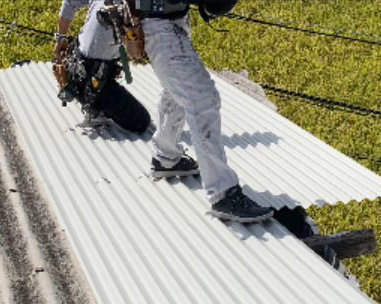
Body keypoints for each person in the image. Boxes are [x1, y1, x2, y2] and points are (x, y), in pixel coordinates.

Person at [137, 0, 274, 223]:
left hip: (168, 22)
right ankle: (222, 193)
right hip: (160, 26)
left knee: (176, 90)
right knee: (202, 100)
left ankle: (165, 156)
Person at [55, 0, 151, 133]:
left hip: (78, 56)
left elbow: (69, 2)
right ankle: (91, 100)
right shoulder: (134, 4)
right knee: (140, 121)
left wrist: (60, 38)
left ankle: (88, 88)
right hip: (90, 76)